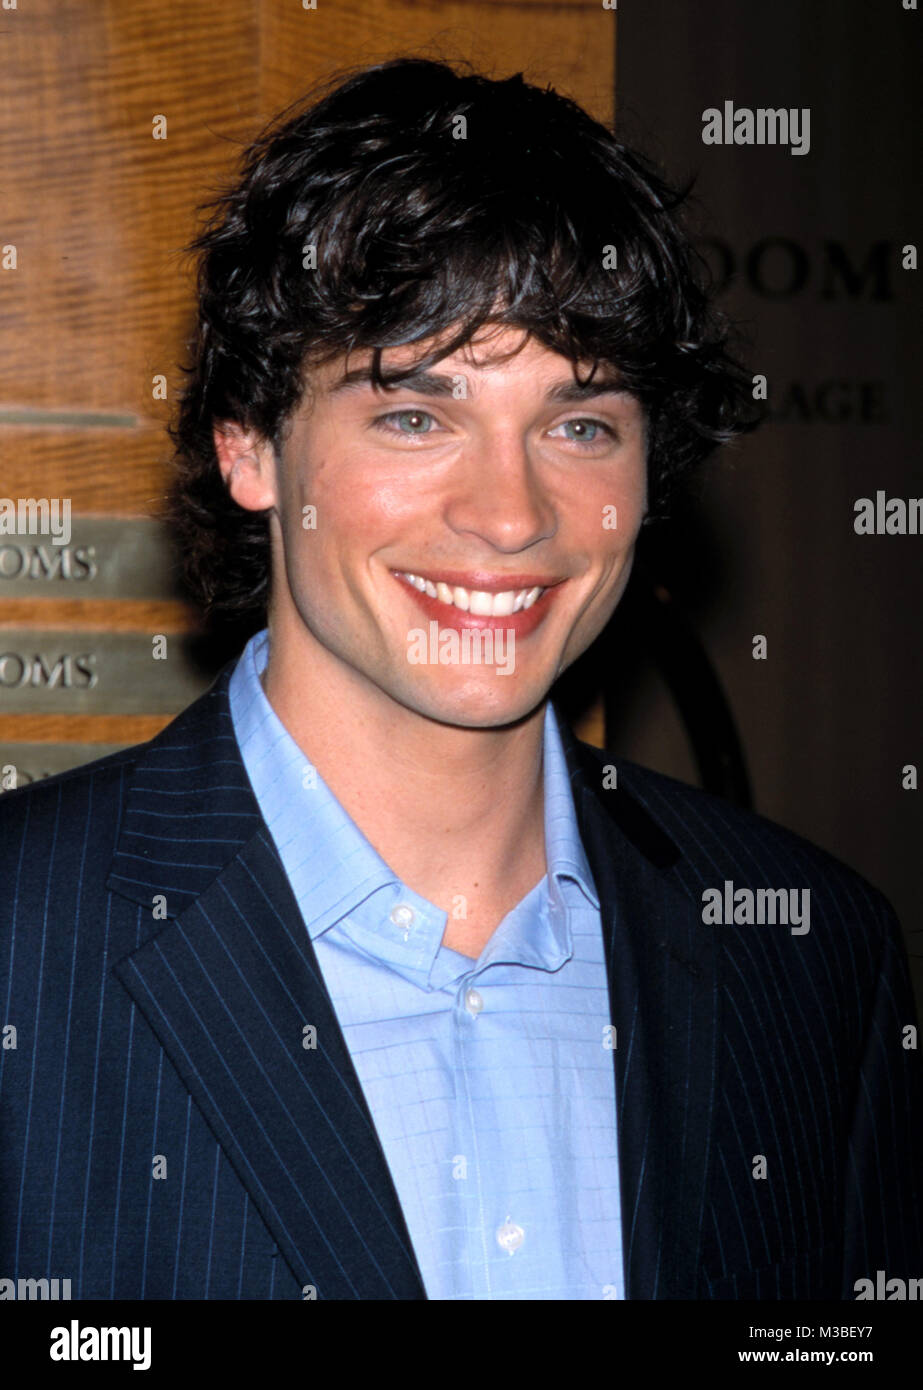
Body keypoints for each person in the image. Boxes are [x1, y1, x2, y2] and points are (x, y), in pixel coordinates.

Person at [1, 57, 920, 1302]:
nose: (509, 514)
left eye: (579, 423)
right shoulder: (22, 943)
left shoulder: (812, 957)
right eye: (415, 414)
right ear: (248, 444)